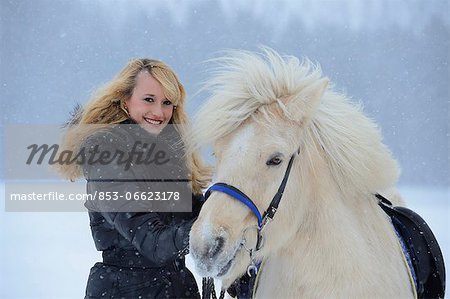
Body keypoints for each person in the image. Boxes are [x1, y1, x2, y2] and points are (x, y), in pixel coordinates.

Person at [56, 58, 211, 298]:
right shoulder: (104, 152)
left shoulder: (170, 152)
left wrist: (230, 204)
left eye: (167, 102)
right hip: (126, 290)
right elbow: (153, 243)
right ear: (124, 100)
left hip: (179, 288)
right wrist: (215, 227)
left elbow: (197, 214)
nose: (159, 112)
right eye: (149, 99)